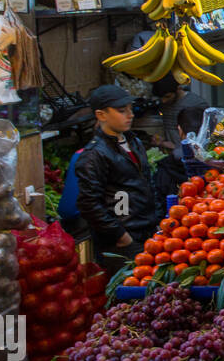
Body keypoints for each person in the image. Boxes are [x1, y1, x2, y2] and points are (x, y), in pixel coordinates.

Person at [76, 84, 161, 269]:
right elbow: (89, 203)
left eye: (130, 109)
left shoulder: (134, 142)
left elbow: (147, 182)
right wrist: (121, 236)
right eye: (122, 111)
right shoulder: (94, 155)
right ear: (101, 115)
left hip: (148, 231)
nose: (130, 115)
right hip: (123, 241)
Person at [151, 74, 211, 152]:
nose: (163, 101)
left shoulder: (196, 103)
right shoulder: (163, 104)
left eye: (167, 96)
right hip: (172, 153)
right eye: (161, 98)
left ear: (178, 88)